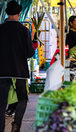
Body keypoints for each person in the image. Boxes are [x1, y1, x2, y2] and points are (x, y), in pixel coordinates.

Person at [0, 1, 35, 132]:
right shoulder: (24, 31)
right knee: (23, 99)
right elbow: (30, 53)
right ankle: (16, 125)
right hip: (19, 72)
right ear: (20, 14)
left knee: (1, 103)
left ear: (7, 13)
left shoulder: (0, 29)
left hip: (1, 72)